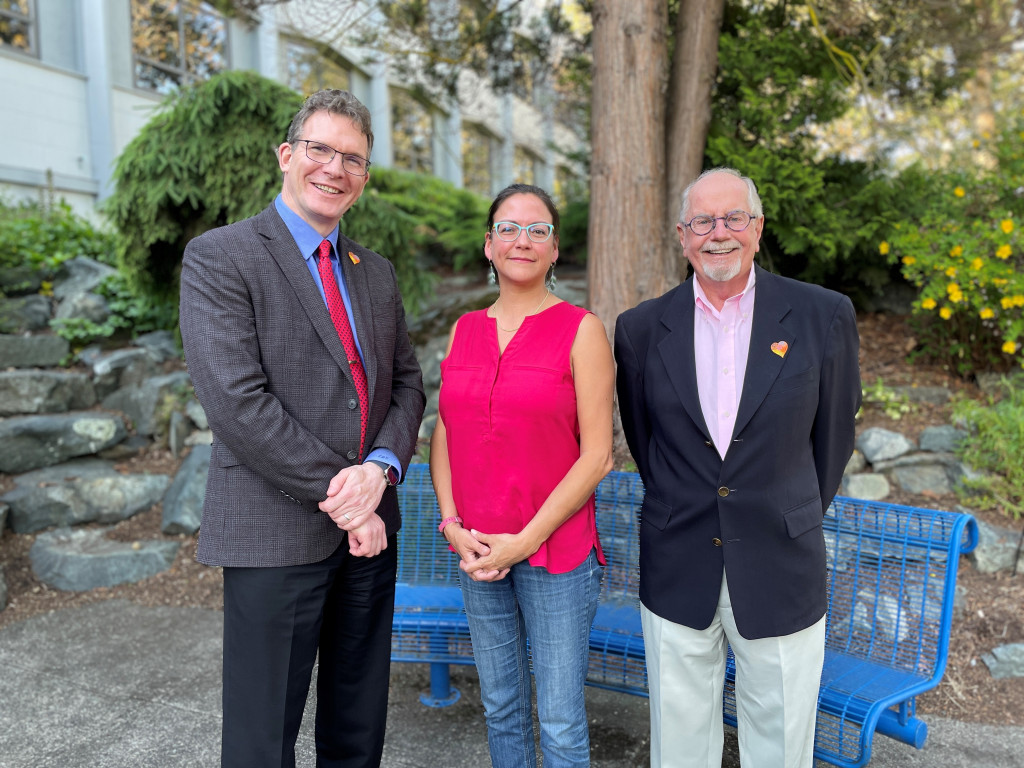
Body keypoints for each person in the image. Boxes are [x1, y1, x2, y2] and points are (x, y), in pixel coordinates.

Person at [179, 89, 425, 768]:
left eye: (353, 158)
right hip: (273, 530)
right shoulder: (221, 256)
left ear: (364, 177)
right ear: (287, 155)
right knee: (262, 739)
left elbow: (406, 385)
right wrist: (348, 497)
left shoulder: (373, 273)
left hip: (371, 532)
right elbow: (237, 403)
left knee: (357, 726)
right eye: (320, 149)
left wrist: (378, 471)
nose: (335, 169)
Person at [614, 167, 861, 768]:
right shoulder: (641, 329)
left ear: (757, 227)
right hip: (678, 560)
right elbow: (650, 448)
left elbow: (831, 441)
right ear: (682, 234)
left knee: (780, 743)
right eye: (703, 220)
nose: (717, 233)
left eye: (732, 218)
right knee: (679, 743)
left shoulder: (821, 315)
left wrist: (783, 507)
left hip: (781, 560)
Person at [429, 183, 614, 768]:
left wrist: (527, 540)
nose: (522, 240)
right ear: (489, 245)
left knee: (559, 722)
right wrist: (451, 522)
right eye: (509, 228)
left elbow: (599, 455)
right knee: (501, 707)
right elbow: (444, 432)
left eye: (538, 230)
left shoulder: (581, 329)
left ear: (555, 250)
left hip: (555, 554)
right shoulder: (464, 331)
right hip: (478, 549)